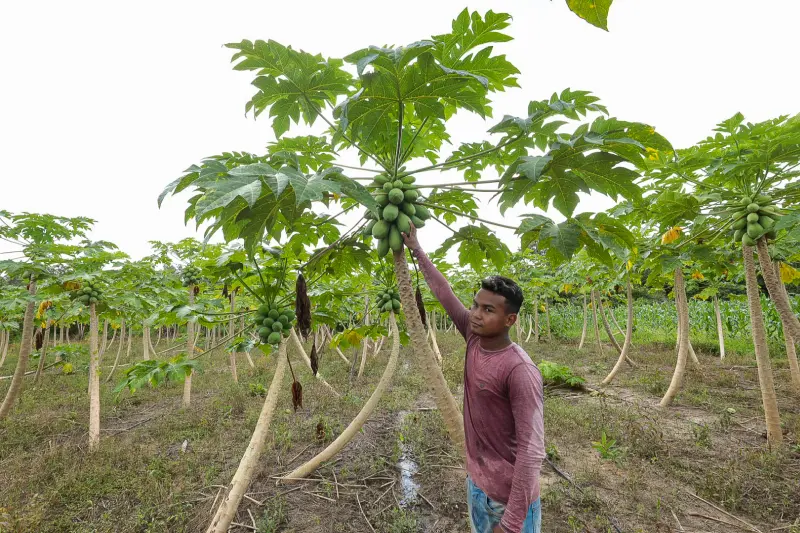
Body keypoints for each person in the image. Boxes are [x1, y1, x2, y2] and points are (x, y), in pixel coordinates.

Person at [402, 224, 545, 533]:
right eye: (476, 305)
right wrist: (416, 248)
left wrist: (510, 523)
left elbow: (531, 453)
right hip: (478, 485)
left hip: (509, 500)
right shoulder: (472, 334)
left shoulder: (519, 370)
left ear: (510, 319)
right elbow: (444, 293)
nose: (477, 314)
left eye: (488, 310)